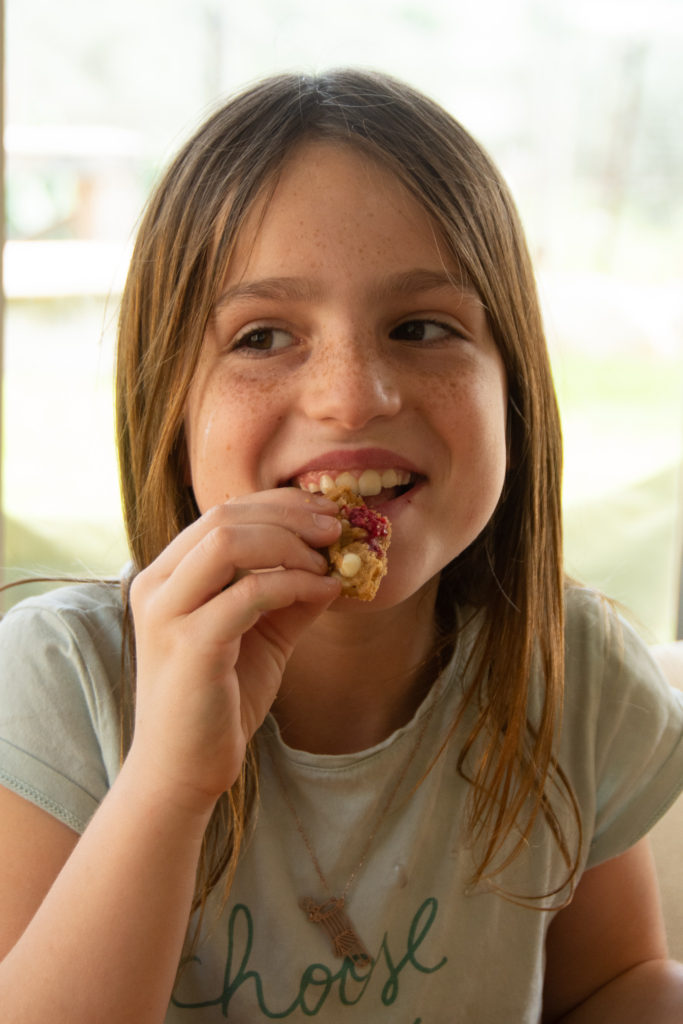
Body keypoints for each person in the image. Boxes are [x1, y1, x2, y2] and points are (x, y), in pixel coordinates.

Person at [0, 69, 682, 1024]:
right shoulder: (63, 681)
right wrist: (167, 781)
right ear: (169, 412)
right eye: (264, 335)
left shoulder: (569, 674)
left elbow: (615, 982)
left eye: (419, 327)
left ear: (515, 391)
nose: (352, 396)